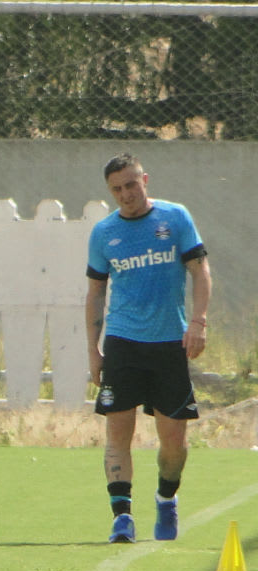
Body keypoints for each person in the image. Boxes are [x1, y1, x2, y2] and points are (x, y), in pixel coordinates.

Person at [85, 152, 212, 544]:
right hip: (123, 343)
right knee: (117, 431)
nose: (125, 194)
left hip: (169, 343)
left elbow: (200, 271)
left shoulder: (174, 219)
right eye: (116, 189)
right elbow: (94, 292)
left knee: (174, 440)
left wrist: (198, 322)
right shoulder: (104, 233)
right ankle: (121, 518)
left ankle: (166, 499)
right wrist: (94, 350)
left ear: (145, 180)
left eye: (130, 185)